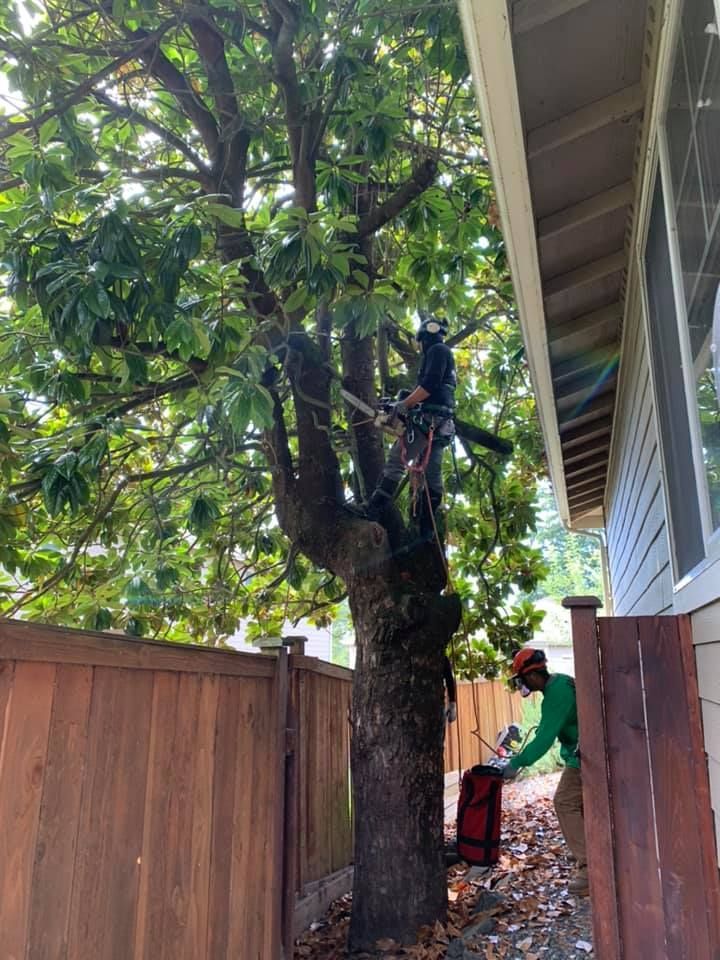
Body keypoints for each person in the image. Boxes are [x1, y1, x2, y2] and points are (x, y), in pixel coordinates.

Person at [502, 648, 587, 896]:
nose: (522, 686)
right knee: (582, 806)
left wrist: (516, 764)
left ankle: (590, 867)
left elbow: (545, 739)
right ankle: (591, 851)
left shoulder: (556, 695)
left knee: (564, 802)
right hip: (586, 750)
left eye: (521, 679)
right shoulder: (560, 682)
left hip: (585, 755)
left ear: (531, 676)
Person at [365, 313, 456, 538]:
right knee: (432, 472)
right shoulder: (444, 354)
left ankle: (373, 510)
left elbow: (428, 386)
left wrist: (403, 405)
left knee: (396, 460)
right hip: (441, 423)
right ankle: (427, 523)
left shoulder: (437, 351)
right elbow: (428, 390)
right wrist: (404, 401)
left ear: (423, 338)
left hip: (430, 420)